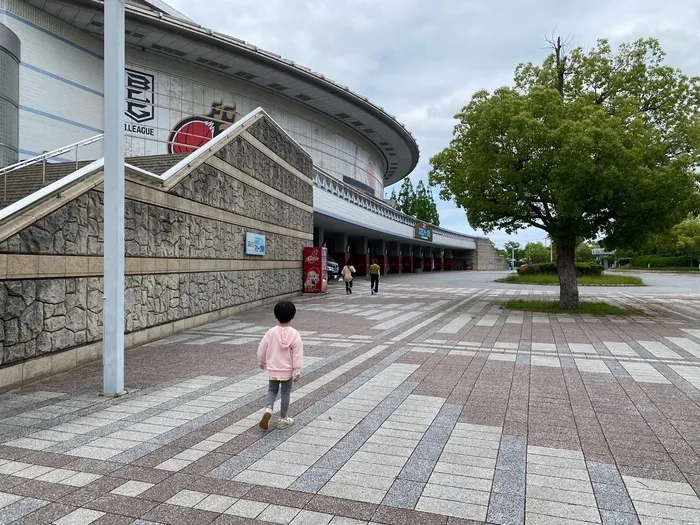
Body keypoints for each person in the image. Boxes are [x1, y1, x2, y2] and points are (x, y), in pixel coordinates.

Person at [257, 301, 304, 430]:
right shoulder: (295, 334)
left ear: (275, 316)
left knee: (272, 390)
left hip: (273, 369)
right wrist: (297, 370)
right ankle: (283, 418)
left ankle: (268, 409)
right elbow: (297, 354)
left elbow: (262, 348)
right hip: (287, 371)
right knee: (285, 393)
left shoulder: (271, 332)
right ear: (293, 316)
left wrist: (262, 362)